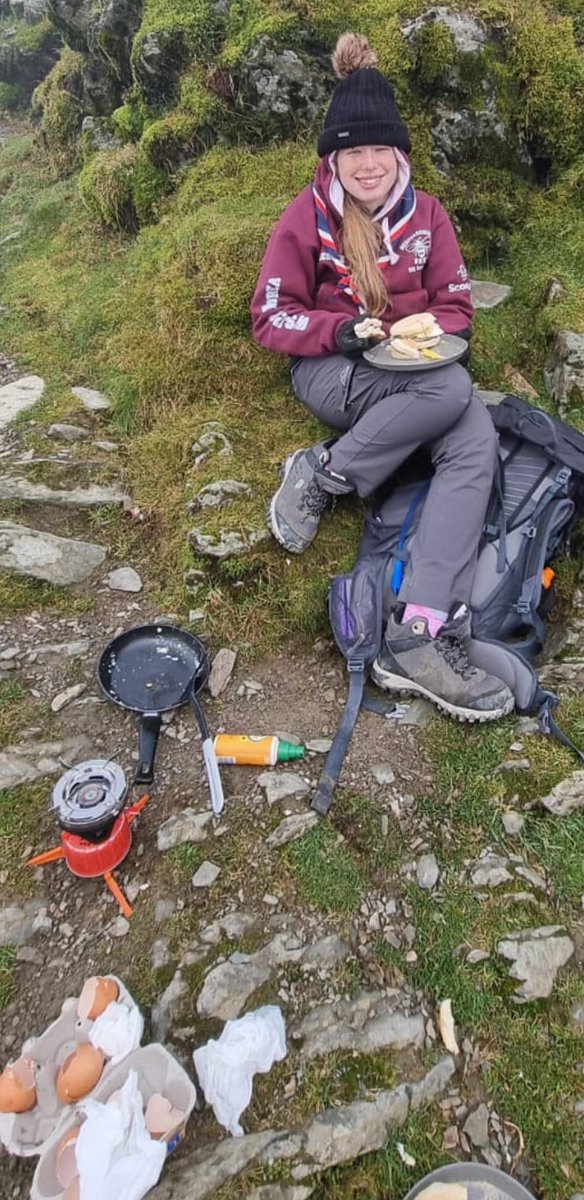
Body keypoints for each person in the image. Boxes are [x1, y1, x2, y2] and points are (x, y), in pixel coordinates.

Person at [250, 32, 513, 724]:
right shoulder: (307, 219)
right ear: (335, 157)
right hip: (333, 374)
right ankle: (322, 473)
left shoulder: (427, 217)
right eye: (353, 152)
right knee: (455, 396)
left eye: (379, 151)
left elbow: (456, 305)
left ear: (398, 153)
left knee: (475, 438)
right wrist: (337, 331)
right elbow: (270, 316)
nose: (368, 166)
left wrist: (429, 334)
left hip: (418, 379)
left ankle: (417, 631)